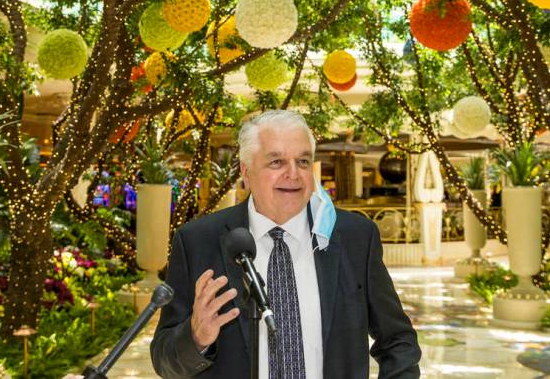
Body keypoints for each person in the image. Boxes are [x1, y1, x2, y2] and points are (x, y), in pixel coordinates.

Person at [150, 109, 421, 378]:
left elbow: (397, 341)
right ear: (246, 172)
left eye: (303, 162)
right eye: (276, 162)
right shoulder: (197, 241)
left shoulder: (355, 238)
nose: (293, 174)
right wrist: (195, 338)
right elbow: (165, 362)